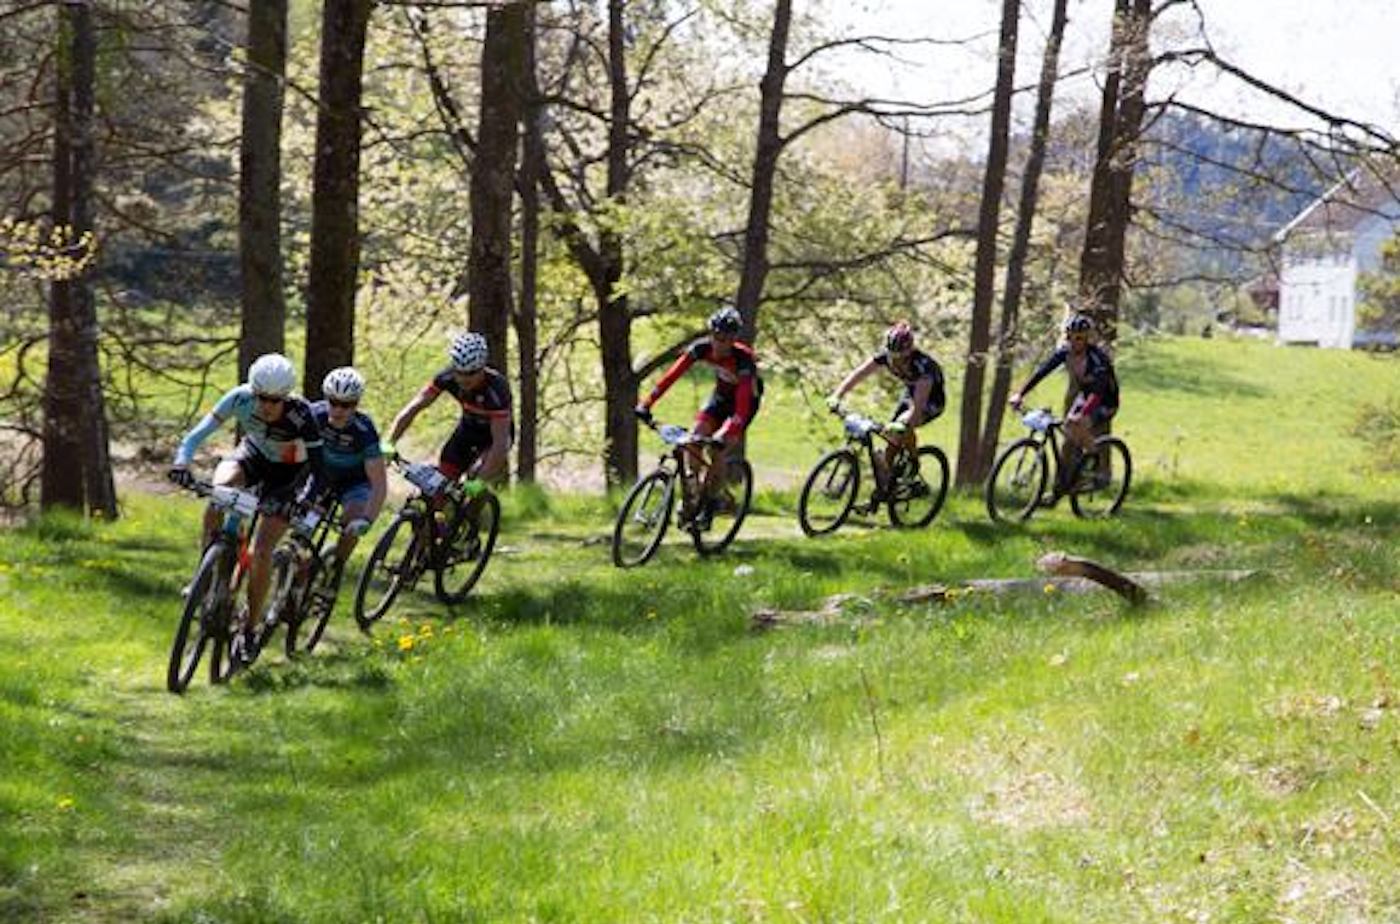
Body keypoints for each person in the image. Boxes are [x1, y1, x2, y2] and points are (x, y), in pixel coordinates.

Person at [168, 353, 324, 662]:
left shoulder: (302, 415)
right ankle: (207, 576)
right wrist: (181, 463)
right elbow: (196, 435)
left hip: (289, 476)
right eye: (260, 397)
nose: (266, 406)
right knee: (219, 493)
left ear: (286, 396)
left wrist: (305, 500)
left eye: (275, 400)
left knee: (262, 551)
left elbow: (320, 470)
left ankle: (249, 629)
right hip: (252, 456)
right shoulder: (239, 398)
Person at [634, 306, 762, 519]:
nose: (718, 343)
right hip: (720, 398)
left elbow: (742, 406)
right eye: (715, 337)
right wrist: (646, 404)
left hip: (743, 405)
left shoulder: (743, 360)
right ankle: (693, 494)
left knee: (717, 449)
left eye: (725, 340)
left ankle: (713, 499)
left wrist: (726, 433)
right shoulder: (701, 349)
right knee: (693, 440)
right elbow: (670, 377)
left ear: (733, 340)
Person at [826, 320, 945, 496]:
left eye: (900, 357)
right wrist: (837, 395)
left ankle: (913, 463)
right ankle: (887, 487)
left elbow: (918, 405)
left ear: (909, 353)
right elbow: (858, 374)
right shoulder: (885, 357)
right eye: (892, 356)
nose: (895, 361)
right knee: (890, 446)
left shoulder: (923, 367)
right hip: (910, 394)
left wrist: (905, 423)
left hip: (931, 400)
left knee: (903, 425)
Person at [384, 331, 513, 488]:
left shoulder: (497, 389)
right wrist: (390, 441)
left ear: (482, 368)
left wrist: (480, 481)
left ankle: (476, 500)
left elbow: (500, 444)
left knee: (475, 476)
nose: (463, 379)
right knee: (440, 483)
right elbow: (415, 406)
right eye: (459, 372)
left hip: (493, 440)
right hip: (468, 431)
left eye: (470, 373)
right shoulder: (447, 377)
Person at [1010, 312, 1120, 492]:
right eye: (1070, 337)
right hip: (1086, 396)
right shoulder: (1065, 353)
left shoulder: (1098, 360)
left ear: (1087, 339)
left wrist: (1082, 414)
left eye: (1079, 338)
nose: (1073, 342)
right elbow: (1042, 371)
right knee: (1069, 436)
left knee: (1077, 423)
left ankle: (1095, 463)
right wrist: (1020, 394)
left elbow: (1098, 393)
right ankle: (1065, 485)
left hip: (1105, 401)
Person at [304, 367, 387, 594]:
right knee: (303, 529)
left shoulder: (364, 431)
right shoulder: (314, 416)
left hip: (355, 484)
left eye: (346, 405)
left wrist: (367, 519)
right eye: (333, 402)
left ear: (356, 404)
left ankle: (337, 566)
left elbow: (379, 484)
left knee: (352, 522)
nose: (338, 410)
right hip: (322, 479)